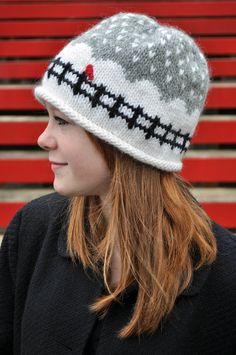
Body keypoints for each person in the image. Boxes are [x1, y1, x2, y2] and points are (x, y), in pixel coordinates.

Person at [0, 12, 236, 355]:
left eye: (63, 121)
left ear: (122, 142)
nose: (43, 138)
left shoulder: (225, 280)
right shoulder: (33, 231)